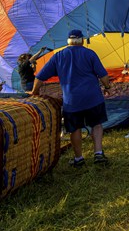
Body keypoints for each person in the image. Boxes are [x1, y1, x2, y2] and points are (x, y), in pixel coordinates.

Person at [31, 29, 111, 168]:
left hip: (72, 101)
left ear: (68, 41)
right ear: (82, 40)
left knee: (75, 129)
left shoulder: (58, 56)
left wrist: (34, 92)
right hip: (93, 98)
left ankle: (79, 158)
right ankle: (98, 153)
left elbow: (39, 77)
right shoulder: (89, 53)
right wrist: (107, 87)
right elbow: (103, 76)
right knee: (96, 124)